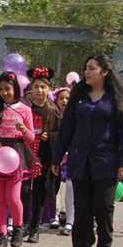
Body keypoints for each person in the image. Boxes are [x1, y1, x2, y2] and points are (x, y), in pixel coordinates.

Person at [50, 54, 123, 247]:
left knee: (104, 206)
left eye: (92, 68)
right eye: (86, 68)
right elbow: (66, 128)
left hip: (106, 161)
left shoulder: (116, 99)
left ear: (104, 72)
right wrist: (57, 157)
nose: (86, 72)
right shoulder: (80, 97)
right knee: (82, 208)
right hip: (80, 161)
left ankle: (105, 243)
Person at [0, 71, 35, 247]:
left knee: (12, 196)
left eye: (8, 89)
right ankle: (1, 234)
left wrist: (24, 130)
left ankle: (18, 228)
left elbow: (31, 138)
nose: (4, 93)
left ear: (15, 89)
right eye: (1, 89)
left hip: (16, 154)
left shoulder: (25, 109)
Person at [21, 67, 60, 244]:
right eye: (36, 87)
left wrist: (50, 137)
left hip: (43, 158)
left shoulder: (53, 110)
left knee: (38, 193)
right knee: (23, 191)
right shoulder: (25, 109)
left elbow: (61, 133)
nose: (39, 91)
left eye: (43, 87)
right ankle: (23, 224)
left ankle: (35, 227)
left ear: (49, 89)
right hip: (25, 156)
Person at [53, 88, 73, 235]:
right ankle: (55, 214)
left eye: (67, 98)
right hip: (56, 156)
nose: (65, 101)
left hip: (72, 157)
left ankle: (69, 218)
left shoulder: (76, 116)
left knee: (70, 186)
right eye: (62, 98)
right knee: (55, 187)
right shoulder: (54, 116)